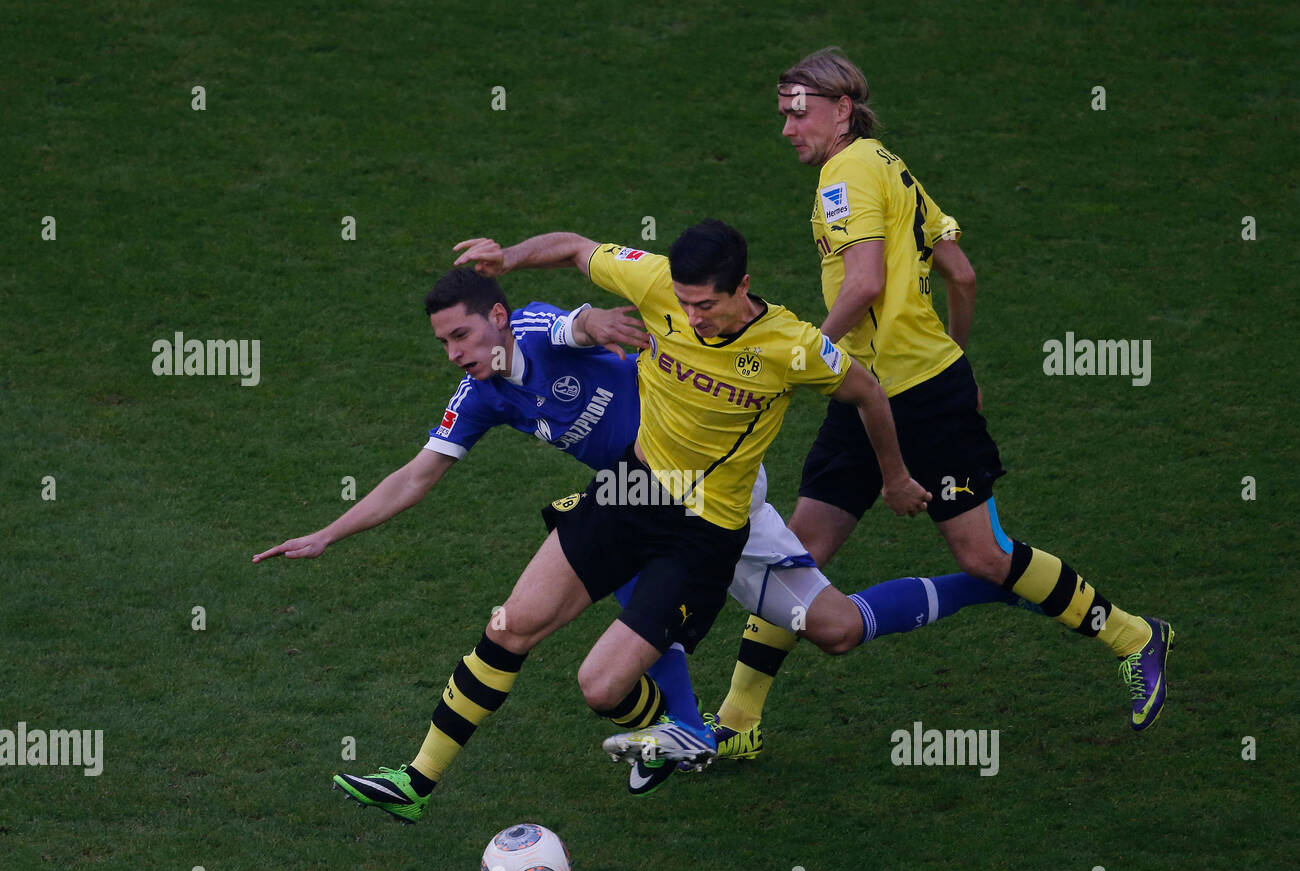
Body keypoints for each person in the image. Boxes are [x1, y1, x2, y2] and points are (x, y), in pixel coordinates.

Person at [321, 219, 932, 821]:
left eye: (705, 305)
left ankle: (687, 728)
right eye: (685, 303)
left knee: (808, 635)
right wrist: (507, 257)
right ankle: (416, 783)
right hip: (627, 487)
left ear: (741, 287)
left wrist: (896, 476)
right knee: (510, 626)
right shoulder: (655, 282)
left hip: (706, 522)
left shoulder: (792, 344)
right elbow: (574, 248)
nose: (691, 317)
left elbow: (869, 394)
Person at [707, 46, 1172, 750]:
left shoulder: (845, 173)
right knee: (799, 555)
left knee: (983, 557)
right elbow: (961, 271)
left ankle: (1136, 636)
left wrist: (793, 360)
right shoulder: (888, 163)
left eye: (797, 113)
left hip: (916, 396)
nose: (787, 128)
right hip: (870, 393)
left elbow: (862, 284)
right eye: (782, 115)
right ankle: (738, 723)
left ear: (839, 110)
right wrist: (956, 355)